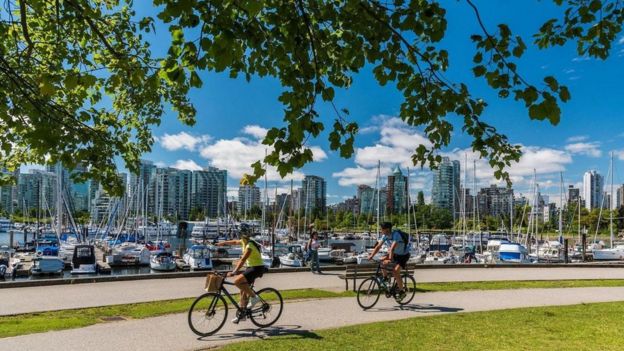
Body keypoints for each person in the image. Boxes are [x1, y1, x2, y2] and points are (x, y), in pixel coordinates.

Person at [215, 225, 265, 324]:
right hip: (251, 267)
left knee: (237, 281)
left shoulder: (249, 246)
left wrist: (234, 271)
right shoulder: (244, 241)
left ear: (242, 234)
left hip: (257, 268)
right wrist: (222, 243)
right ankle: (242, 315)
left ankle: (254, 297)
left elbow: (243, 260)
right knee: (242, 290)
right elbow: (234, 242)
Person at [367, 222, 410, 299]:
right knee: (382, 263)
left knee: (396, 271)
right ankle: (386, 279)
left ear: (387, 229)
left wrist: (389, 259)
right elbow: (378, 246)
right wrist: (371, 255)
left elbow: (392, 248)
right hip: (395, 254)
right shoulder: (385, 236)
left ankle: (401, 291)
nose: (381, 230)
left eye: (382, 229)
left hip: (403, 255)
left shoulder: (396, 235)